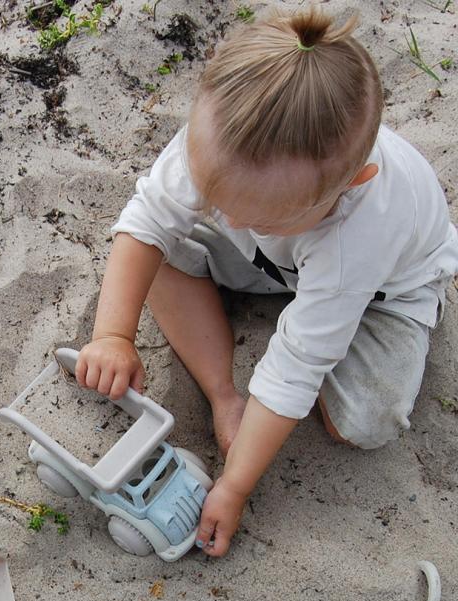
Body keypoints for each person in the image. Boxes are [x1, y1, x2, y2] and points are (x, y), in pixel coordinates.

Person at [75, 6, 458, 557]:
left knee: (370, 421)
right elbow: (147, 221)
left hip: (382, 290)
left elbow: (293, 369)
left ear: (352, 183)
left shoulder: (362, 232)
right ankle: (223, 394)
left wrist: (234, 486)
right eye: (216, 199)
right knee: (157, 256)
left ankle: (341, 314)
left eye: (254, 212)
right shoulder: (232, 131)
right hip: (275, 259)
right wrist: (112, 334)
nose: (226, 218)